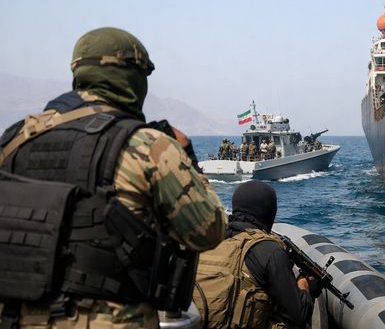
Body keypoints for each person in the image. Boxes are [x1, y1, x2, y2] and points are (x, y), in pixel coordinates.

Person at [0, 27, 227, 328]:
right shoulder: (147, 145)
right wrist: (188, 160)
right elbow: (209, 229)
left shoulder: (14, 140)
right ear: (132, 76)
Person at [194, 181, 316, 328]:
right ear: (269, 211)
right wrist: (305, 285)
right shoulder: (270, 251)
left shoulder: (207, 242)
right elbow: (299, 315)